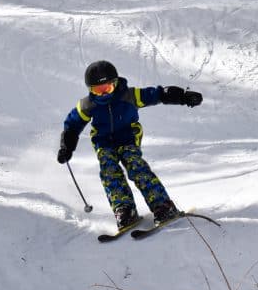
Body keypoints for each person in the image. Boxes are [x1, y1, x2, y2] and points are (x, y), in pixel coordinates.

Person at [57, 60, 203, 230]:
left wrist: (183, 97)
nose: (103, 94)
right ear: (90, 89)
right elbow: (72, 126)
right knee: (109, 171)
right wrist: (66, 146)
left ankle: (162, 206)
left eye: (107, 88)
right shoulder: (87, 104)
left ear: (116, 83)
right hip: (104, 143)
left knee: (136, 166)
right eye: (98, 90)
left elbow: (158, 94)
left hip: (128, 138)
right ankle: (124, 210)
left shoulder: (130, 95)